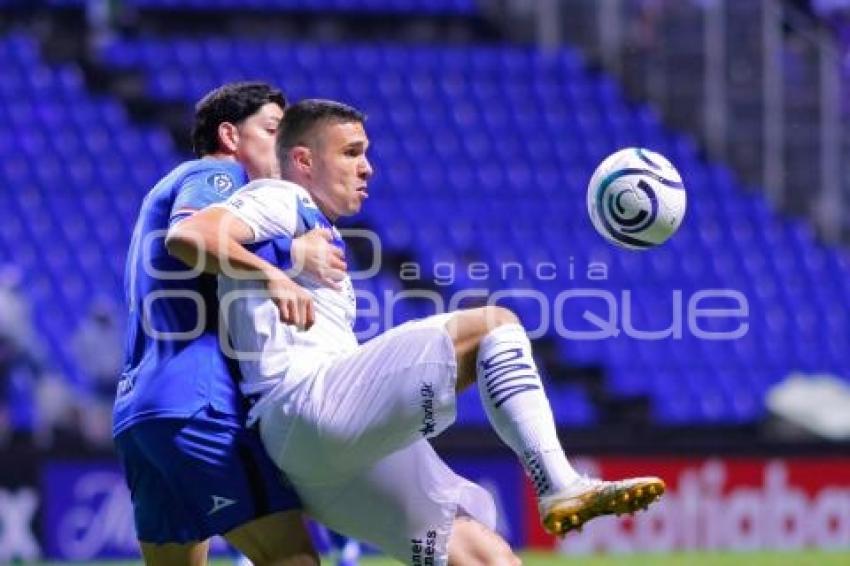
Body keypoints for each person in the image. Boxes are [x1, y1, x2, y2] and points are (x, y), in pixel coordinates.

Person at [170, 99, 665, 565]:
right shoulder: (279, 196)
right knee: (493, 326)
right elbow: (190, 235)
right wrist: (273, 274)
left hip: (318, 463)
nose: (368, 168)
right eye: (351, 153)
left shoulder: (315, 229)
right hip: (305, 405)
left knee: (484, 556)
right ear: (302, 159)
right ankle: (559, 482)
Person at [114, 82, 343, 566]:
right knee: (293, 557)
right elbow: (189, 236)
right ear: (230, 136)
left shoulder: (166, 188)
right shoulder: (217, 175)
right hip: (198, 402)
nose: (281, 146)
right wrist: (283, 261)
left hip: (142, 413)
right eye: (272, 130)